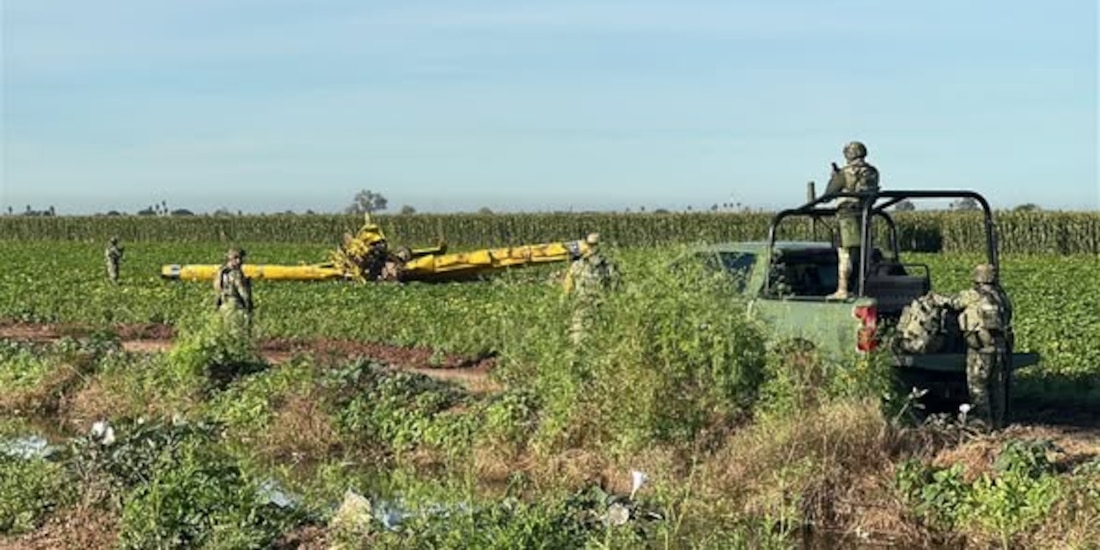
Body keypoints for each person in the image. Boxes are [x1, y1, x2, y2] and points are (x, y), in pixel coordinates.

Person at [929, 264, 1014, 429]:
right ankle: (999, 424)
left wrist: (934, 297)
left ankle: (984, 424)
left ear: (978, 278)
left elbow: (952, 302)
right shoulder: (1002, 297)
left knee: (978, 386)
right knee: (997, 387)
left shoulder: (973, 295)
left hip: (980, 349)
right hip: (1001, 348)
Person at [823, 141, 880, 299]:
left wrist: (834, 178)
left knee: (845, 253)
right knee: (862, 253)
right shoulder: (873, 171)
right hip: (865, 215)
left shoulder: (844, 173)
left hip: (847, 216)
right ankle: (862, 287)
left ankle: (843, 289)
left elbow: (828, 195)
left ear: (848, 155)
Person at [563, 233, 618, 345]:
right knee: (600, 336)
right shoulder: (608, 266)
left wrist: (566, 301)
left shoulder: (577, 264)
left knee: (579, 336)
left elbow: (568, 287)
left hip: (582, 305)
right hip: (600, 305)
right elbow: (615, 287)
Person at [214, 247, 254, 335]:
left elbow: (217, 290)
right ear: (230, 258)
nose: (239, 261)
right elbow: (243, 292)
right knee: (238, 332)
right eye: (236, 258)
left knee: (224, 332)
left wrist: (216, 305)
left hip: (223, 305)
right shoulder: (237, 274)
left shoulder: (221, 271)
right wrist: (248, 305)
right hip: (235, 306)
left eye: (240, 258)